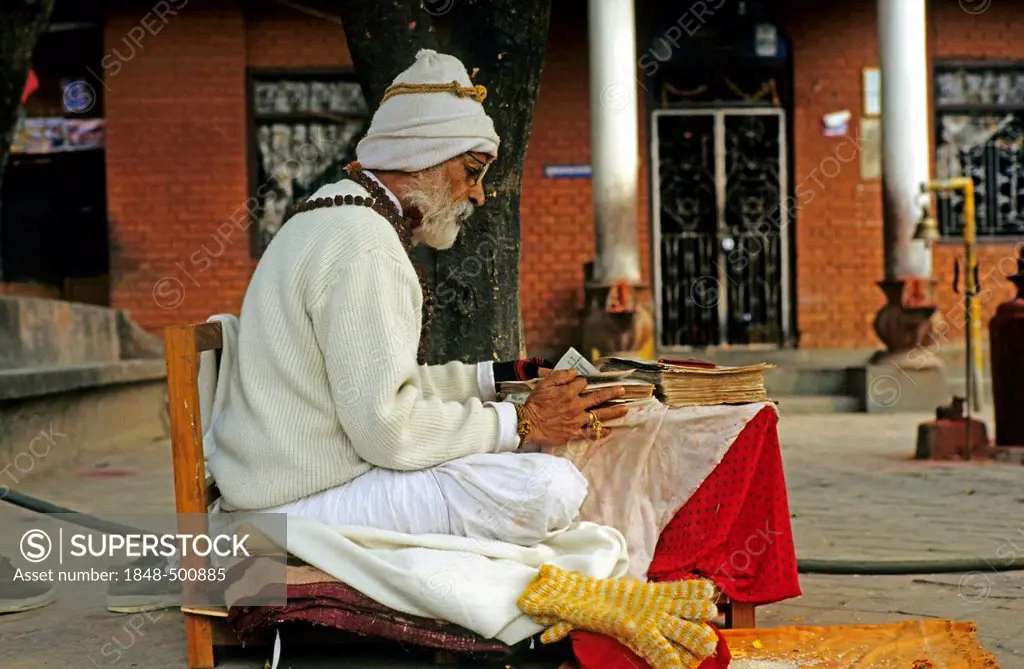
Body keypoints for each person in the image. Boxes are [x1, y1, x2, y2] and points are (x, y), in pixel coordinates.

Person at [204, 49, 628, 546]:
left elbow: (378, 388)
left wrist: (498, 379)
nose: (478, 194)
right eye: (471, 171)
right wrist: (524, 419)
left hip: (290, 485)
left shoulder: (341, 213)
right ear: (422, 158)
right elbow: (388, 430)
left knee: (522, 464)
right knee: (550, 485)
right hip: (296, 504)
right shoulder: (366, 247)